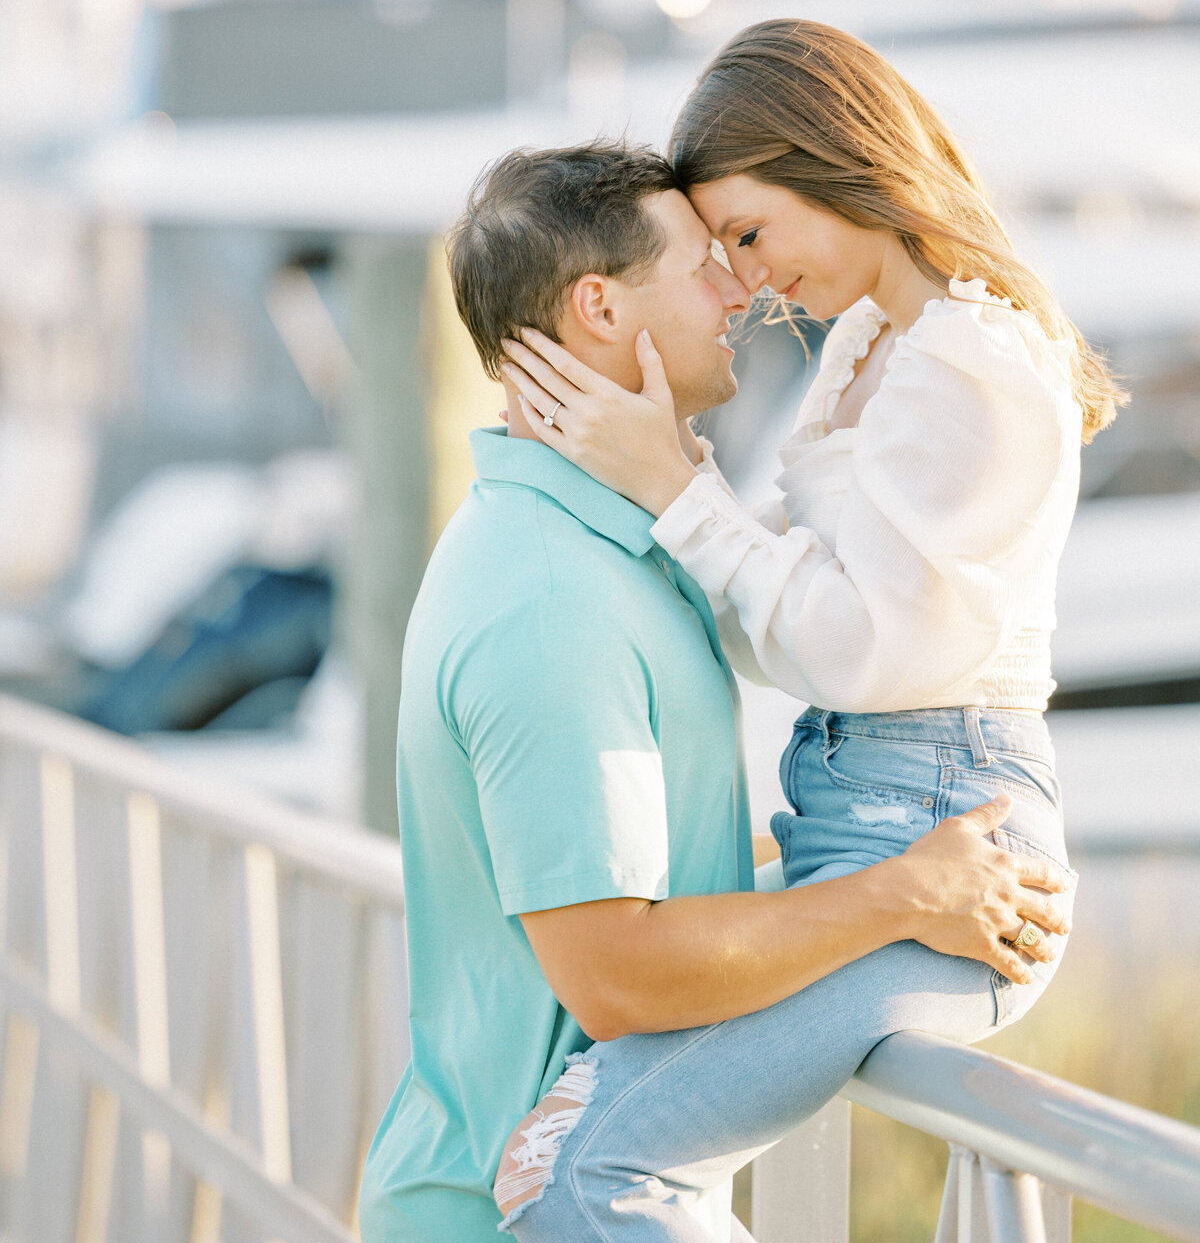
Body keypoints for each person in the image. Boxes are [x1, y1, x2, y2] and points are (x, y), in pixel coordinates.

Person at [356, 141, 1070, 1243]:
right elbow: (619, 976)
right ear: (598, 306)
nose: (743, 290)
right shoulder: (551, 599)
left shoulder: (604, 548)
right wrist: (906, 893)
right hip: (511, 1213)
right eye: (704, 264)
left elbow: (656, 874)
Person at [495, 22, 1115, 1240]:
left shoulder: (969, 362)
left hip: (952, 847)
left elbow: (856, 647)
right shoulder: (878, 345)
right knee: (554, 1137)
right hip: (860, 834)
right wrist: (648, 468)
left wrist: (675, 485)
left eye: (748, 232)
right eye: (723, 247)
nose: (746, 277)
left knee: (582, 1171)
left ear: (833, 160)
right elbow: (777, 605)